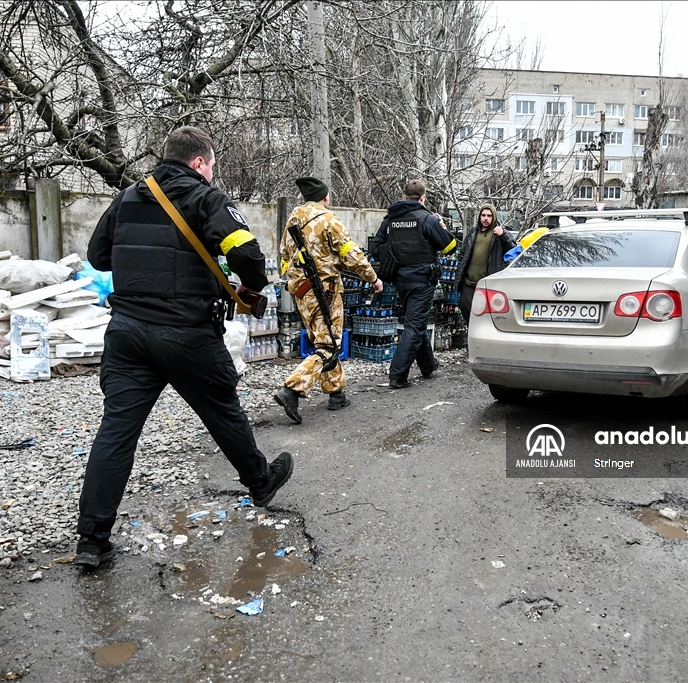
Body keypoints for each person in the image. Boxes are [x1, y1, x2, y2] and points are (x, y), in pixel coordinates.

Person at [76, 126, 292, 569]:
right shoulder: (206, 198)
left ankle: (92, 541)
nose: (212, 173)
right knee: (222, 411)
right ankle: (260, 481)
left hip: (129, 333)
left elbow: (98, 257)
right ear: (199, 163)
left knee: (116, 433)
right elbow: (249, 258)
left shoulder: (128, 197)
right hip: (187, 333)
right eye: (211, 165)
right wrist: (251, 286)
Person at [274, 177, 382, 423]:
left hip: (300, 291)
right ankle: (292, 389)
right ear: (326, 197)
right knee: (328, 345)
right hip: (325, 291)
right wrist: (373, 278)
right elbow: (350, 255)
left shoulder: (292, 219)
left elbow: (283, 257)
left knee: (323, 338)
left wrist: (296, 280)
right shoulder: (329, 220)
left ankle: (336, 393)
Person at [370, 179, 457, 389]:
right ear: (422, 198)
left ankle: (428, 366)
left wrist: (395, 252)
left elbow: (375, 248)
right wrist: (441, 225)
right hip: (422, 280)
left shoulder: (391, 219)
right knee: (414, 326)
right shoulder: (427, 219)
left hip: (400, 280)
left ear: (405, 196)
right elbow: (450, 247)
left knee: (415, 321)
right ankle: (397, 375)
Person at [456, 203, 516, 324]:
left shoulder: (499, 233)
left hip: (488, 282)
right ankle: (472, 328)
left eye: (489, 215)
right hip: (469, 281)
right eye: (483, 215)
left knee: (488, 312)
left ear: (493, 217)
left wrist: (502, 235)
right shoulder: (473, 232)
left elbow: (513, 251)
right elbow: (463, 253)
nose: (486, 218)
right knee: (464, 305)